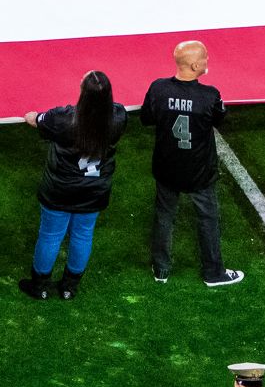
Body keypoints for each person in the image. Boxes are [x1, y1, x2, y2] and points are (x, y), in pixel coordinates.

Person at [140, 40, 243, 286]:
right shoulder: (210, 95)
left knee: (164, 217)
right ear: (196, 64)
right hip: (199, 171)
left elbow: (146, 119)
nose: (208, 61)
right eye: (205, 57)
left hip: (167, 168)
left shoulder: (158, 88)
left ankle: (161, 269)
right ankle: (213, 273)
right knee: (207, 219)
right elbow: (220, 119)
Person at [18, 71, 127, 300]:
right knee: (83, 235)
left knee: (50, 235)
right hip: (95, 190)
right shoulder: (118, 116)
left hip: (60, 190)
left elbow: (34, 120)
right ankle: (69, 287)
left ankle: (40, 286)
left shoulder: (63, 118)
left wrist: (32, 116)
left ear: (82, 92)